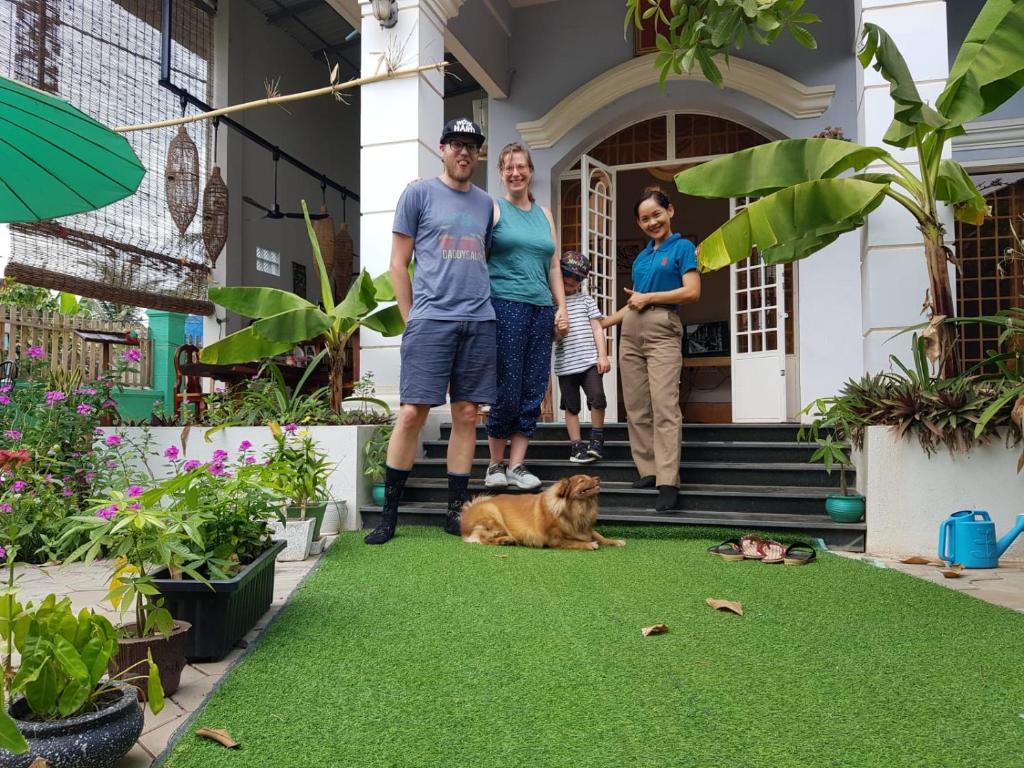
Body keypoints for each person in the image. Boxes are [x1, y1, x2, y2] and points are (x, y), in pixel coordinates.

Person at [364, 118, 494, 545]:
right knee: (410, 414)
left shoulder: (485, 204)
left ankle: (454, 512)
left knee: (467, 415)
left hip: (478, 319)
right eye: (456, 144)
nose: (463, 152)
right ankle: (389, 516)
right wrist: (410, 317)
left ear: (477, 153)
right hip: (430, 321)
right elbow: (397, 263)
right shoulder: (417, 194)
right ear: (442, 149)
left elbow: (480, 258)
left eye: (470, 146)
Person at [603, 187, 701, 512]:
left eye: (656, 215)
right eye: (644, 219)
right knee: (635, 407)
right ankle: (648, 469)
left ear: (670, 211)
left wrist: (650, 298)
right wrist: (604, 322)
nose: (651, 222)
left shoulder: (682, 247)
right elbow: (634, 302)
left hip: (662, 329)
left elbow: (691, 292)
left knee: (664, 406)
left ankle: (668, 480)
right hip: (631, 330)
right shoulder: (643, 256)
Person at [483, 143, 567, 491]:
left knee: (533, 387)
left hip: (541, 309)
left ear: (531, 171)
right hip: (505, 305)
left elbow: (552, 266)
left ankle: (517, 465)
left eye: (521, 166)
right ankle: (494, 465)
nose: (515, 173)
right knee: (507, 387)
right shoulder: (493, 210)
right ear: (501, 174)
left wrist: (561, 306)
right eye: (508, 168)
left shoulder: (544, 215)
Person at [553, 250, 609, 464]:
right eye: (567, 274)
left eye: (578, 277)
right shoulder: (553, 304)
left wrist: (602, 356)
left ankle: (596, 440)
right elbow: (552, 337)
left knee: (598, 399)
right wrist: (559, 332)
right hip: (566, 365)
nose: (571, 280)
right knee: (571, 406)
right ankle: (576, 445)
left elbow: (597, 329)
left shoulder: (586, 300)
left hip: (589, 362)